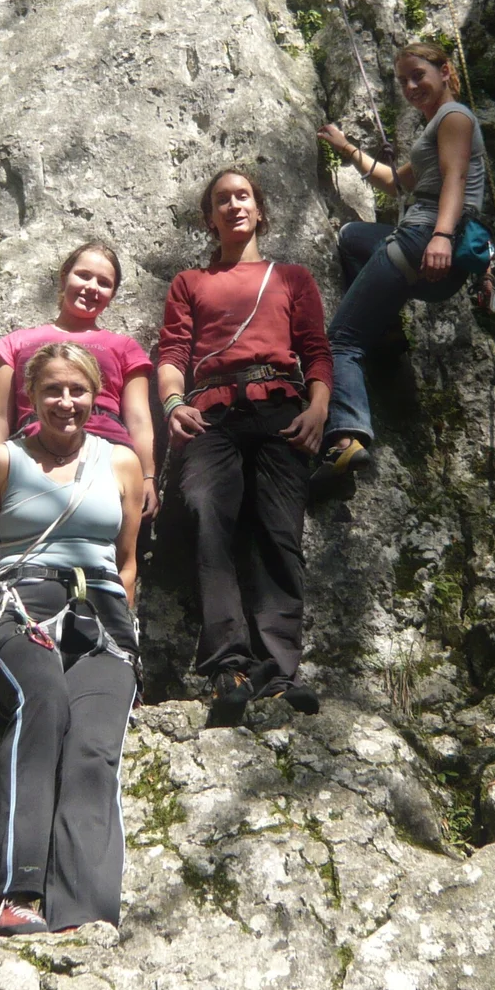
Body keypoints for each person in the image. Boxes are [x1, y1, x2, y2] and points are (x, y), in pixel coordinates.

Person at [0, 341, 147, 936]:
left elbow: (128, 561)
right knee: (43, 702)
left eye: (78, 390)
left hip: (104, 616)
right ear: (31, 399)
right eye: (52, 391)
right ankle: (13, 891)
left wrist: (122, 625)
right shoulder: (1, 462)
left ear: (96, 396)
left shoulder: (121, 463)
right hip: (23, 605)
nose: (66, 402)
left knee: (94, 745)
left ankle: (83, 910)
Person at [157, 167, 332, 723]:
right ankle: (228, 666)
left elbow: (316, 350)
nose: (234, 206)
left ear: (259, 210)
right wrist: (171, 404)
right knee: (209, 516)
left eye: (243, 197)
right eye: (222, 200)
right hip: (210, 413)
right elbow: (172, 354)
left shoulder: (292, 278)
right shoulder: (190, 283)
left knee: (280, 533)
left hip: (281, 409)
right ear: (210, 218)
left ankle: (279, 671)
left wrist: (319, 409)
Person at [314, 42, 491, 488]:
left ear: (445, 71)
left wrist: (441, 237)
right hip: (427, 245)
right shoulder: (440, 126)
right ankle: (387, 330)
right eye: (403, 80)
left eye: (419, 75)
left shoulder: (453, 118)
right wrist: (347, 148)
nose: (411, 86)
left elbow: (454, 180)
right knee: (352, 238)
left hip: (424, 239)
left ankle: (346, 438)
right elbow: (395, 183)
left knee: (340, 340)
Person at [0, 242, 158, 518]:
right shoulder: (18, 342)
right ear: (64, 277)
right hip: (35, 448)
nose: (92, 287)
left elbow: (139, 418)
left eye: (104, 283)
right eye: (83, 275)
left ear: (112, 294)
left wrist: (147, 476)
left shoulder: (124, 347)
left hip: (107, 451)